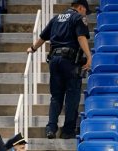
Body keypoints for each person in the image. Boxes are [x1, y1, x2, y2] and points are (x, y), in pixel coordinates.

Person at [27, 0, 92, 139]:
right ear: (80, 8)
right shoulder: (78, 18)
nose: (85, 13)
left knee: (56, 97)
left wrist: (32, 49)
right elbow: (81, 37)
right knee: (72, 96)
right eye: (85, 10)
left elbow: (42, 37)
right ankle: (68, 131)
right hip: (69, 61)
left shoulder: (56, 18)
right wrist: (89, 57)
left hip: (54, 60)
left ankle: (51, 128)